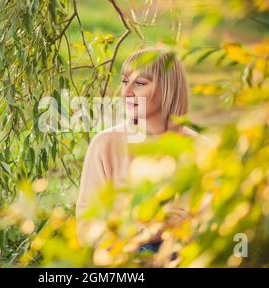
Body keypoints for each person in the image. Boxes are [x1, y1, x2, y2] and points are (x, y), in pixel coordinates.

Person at [75, 47, 198, 251]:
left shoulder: (199, 148)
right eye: (124, 81)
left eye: (140, 83)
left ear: (168, 88)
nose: (126, 92)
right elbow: (87, 221)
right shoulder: (105, 144)